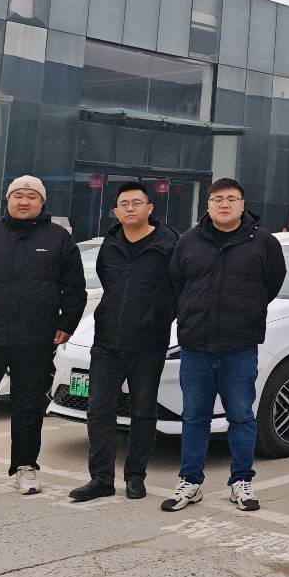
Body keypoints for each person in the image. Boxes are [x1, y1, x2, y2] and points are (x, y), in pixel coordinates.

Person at [0, 176, 85, 497]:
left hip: (35, 339)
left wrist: (67, 323)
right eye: (18, 196)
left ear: (42, 203)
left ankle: (25, 466)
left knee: (28, 405)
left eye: (31, 197)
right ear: (8, 200)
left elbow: (74, 289)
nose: (24, 201)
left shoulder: (58, 239)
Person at [161, 179, 285, 512]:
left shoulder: (263, 242)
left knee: (241, 416)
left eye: (232, 198)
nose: (224, 204)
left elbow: (272, 283)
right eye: (218, 198)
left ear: (243, 204)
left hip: (239, 346)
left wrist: (246, 312)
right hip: (196, 346)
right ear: (208, 204)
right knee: (194, 417)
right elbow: (176, 284)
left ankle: (241, 481)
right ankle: (190, 481)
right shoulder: (188, 242)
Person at [69, 181, 178, 503]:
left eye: (136, 203)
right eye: (124, 204)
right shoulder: (111, 243)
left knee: (143, 411)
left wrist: (158, 317)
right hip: (107, 340)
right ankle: (101, 478)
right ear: (116, 211)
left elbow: (178, 289)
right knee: (98, 410)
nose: (130, 208)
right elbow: (108, 280)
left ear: (150, 208)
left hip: (149, 343)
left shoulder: (169, 244)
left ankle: (135, 476)